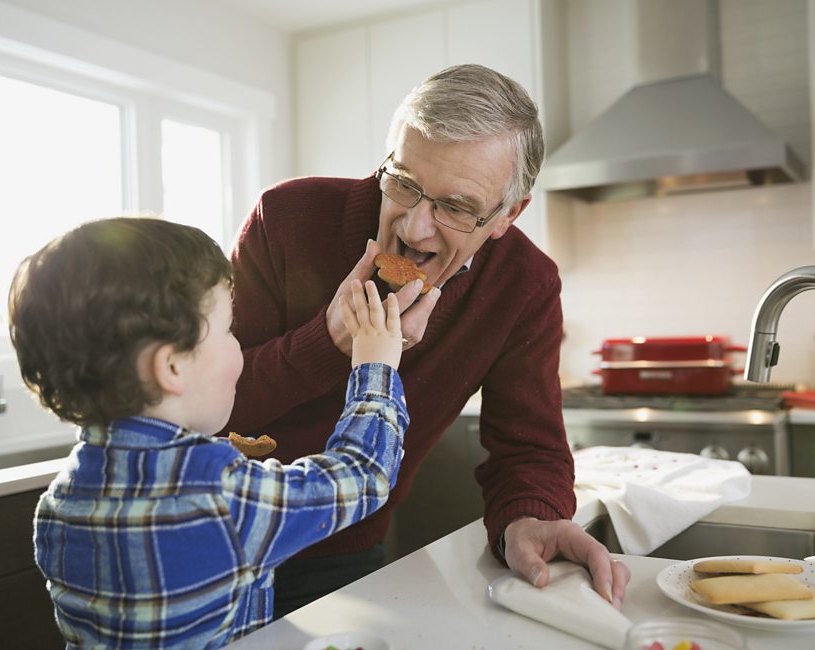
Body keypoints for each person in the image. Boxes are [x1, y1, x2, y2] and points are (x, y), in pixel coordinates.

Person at [224, 63, 630, 618]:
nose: (414, 229)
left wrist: (530, 517)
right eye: (404, 185)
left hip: (338, 553)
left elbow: (529, 447)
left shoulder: (525, 284)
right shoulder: (287, 218)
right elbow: (204, 408)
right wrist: (329, 342)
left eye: (457, 208)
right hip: (208, 539)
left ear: (508, 214)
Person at [8, 216, 408, 647]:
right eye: (227, 329)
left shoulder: (57, 506)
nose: (237, 344)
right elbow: (363, 473)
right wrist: (376, 366)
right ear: (172, 367)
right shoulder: (222, 494)